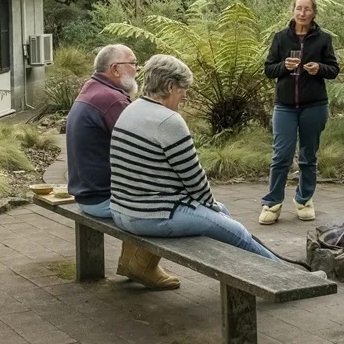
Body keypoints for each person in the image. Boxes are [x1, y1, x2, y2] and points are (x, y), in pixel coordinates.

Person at [111, 54, 278, 263]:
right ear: (170, 86)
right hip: (150, 217)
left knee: (222, 215)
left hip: (122, 211)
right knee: (238, 233)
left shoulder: (131, 109)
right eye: (184, 90)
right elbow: (194, 180)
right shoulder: (168, 121)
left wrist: (214, 209)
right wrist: (212, 206)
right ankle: (293, 279)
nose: (185, 97)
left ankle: (253, 273)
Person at [65, 44, 179, 290]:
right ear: (115, 69)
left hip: (85, 191)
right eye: (133, 63)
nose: (137, 69)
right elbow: (146, 148)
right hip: (101, 197)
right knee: (170, 202)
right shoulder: (112, 99)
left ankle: (132, 261)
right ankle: (143, 266)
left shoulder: (92, 89)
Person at [260, 0, 340, 225]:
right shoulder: (281, 38)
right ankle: (272, 203)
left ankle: (304, 200)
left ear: (314, 13)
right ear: (292, 10)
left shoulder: (323, 39)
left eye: (307, 9)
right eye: (299, 8)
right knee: (281, 156)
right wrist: (284, 66)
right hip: (285, 106)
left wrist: (320, 69)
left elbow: (334, 69)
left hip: (314, 106)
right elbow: (268, 69)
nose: (302, 13)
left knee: (308, 157)